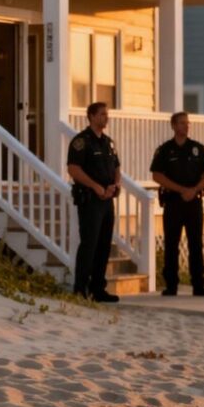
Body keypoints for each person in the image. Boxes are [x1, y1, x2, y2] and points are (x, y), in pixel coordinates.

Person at [150, 112, 204, 297]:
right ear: (173, 125)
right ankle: (171, 285)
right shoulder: (165, 150)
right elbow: (157, 175)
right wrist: (180, 189)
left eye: (188, 123)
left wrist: (194, 190)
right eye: (182, 123)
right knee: (171, 244)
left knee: (196, 244)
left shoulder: (197, 148)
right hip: (173, 202)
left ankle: (198, 285)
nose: (186, 126)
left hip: (194, 202)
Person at [67, 102, 121, 303]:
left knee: (104, 245)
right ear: (90, 116)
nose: (105, 117)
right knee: (89, 244)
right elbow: (73, 169)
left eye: (107, 114)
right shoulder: (81, 142)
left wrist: (115, 185)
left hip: (107, 200)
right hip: (90, 200)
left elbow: (116, 167)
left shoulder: (108, 142)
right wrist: (96, 187)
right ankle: (80, 289)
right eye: (101, 114)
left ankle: (98, 289)